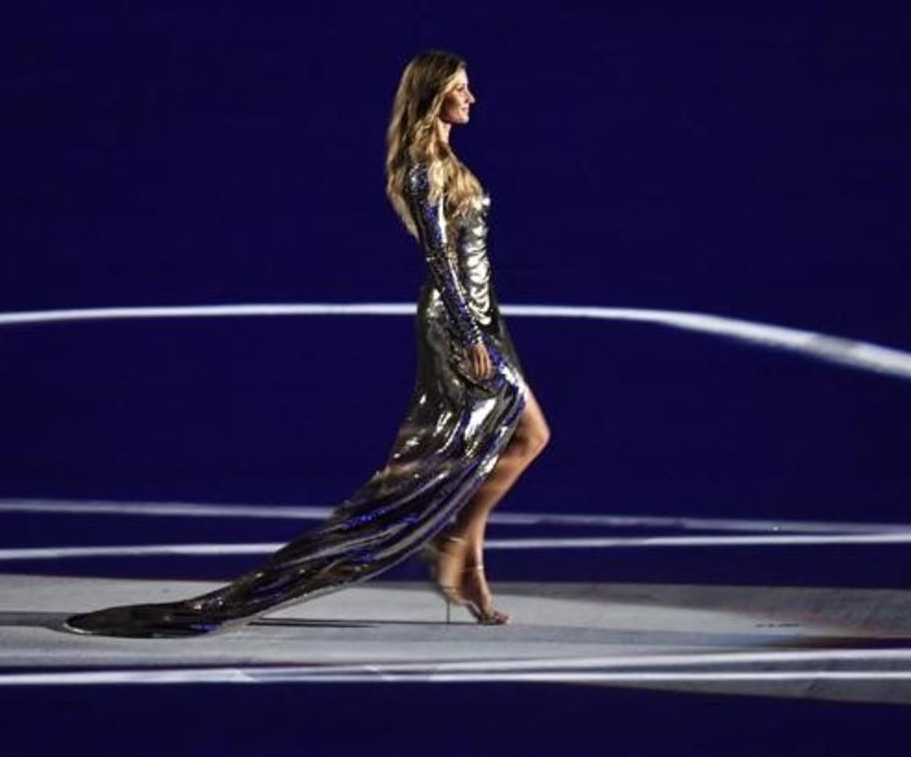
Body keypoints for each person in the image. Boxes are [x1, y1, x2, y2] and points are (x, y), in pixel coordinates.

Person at [60, 49, 549, 638]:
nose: (472, 98)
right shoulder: (423, 165)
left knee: (522, 436)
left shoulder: (447, 159)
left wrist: (485, 322)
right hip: (457, 322)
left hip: (484, 316)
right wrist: (469, 334)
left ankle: (460, 547)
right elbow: (437, 256)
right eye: (461, 89)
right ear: (433, 96)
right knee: (517, 438)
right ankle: (455, 549)